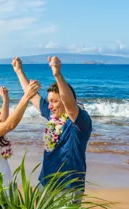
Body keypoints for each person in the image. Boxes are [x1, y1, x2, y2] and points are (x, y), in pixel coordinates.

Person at [12, 56, 92, 194]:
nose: (49, 106)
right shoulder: (52, 116)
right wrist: (19, 71)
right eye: (49, 101)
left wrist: (57, 75)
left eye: (54, 101)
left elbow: (70, 105)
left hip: (68, 188)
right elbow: (32, 96)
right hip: (46, 182)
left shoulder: (80, 120)